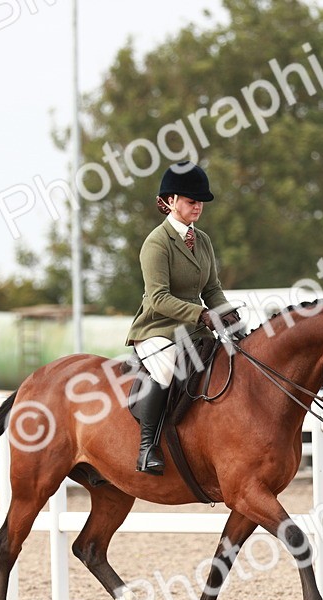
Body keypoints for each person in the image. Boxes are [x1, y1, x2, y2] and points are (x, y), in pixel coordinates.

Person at [125, 161, 239, 475]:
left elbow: (212, 288)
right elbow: (159, 298)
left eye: (200, 201)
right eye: (191, 201)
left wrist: (228, 314)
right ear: (171, 200)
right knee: (165, 370)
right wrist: (201, 313)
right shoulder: (156, 243)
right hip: (158, 328)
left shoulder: (203, 241)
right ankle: (147, 447)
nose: (197, 206)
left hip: (194, 329)